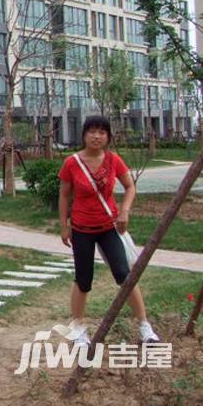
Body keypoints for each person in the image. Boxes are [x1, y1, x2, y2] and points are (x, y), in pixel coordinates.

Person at [58, 115, 159, 345]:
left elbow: (130, 186)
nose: (96, 136)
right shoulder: (71, 163)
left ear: (108, 137)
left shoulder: (114, 160)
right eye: (92, 131)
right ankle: (79, 328)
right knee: (83, 279)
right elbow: (64, 195)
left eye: (102, 132)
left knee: (125, 276)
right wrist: (64, 226)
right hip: (82, 229)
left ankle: (145, 327)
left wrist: (125, 210)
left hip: (109, 227)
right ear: (83, 135)